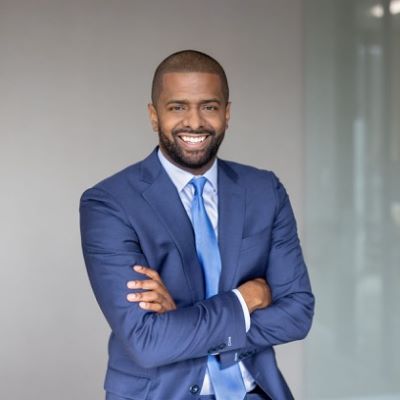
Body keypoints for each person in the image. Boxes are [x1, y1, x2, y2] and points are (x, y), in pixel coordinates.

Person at [79, 50, 314, 400]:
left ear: (227, 113)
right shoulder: (110, 203)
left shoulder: (265, 191)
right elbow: (148, 342)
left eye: (209, 106)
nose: (195, 122)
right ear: (154, 115)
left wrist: (184, 321)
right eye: (177, 107)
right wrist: (244, 300)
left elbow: (297, 314)